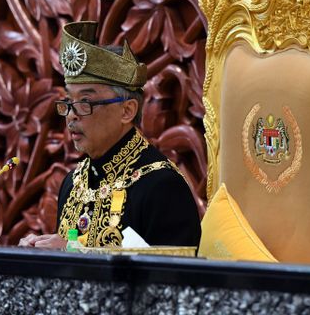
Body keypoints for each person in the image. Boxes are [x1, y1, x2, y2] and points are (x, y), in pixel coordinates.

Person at [19, 21, 201, 249]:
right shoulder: (73, 182)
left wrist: (73, 252)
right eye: (69, 102)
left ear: (127, 111)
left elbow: (171, 270)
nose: (71, 115)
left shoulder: (161, 185)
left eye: (85, 102)